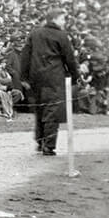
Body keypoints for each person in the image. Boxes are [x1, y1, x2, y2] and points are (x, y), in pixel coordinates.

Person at [19, 9, 81, 156]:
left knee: (40, 109)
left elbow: (25, 56)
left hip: (36, 78)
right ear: (55, 19)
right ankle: (49, 145)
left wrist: (24, 77)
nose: (64, 22)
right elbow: (69, 58)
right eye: (63, 19)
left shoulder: (34, 33)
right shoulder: (61, 35)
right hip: (54, 77)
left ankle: (40, 142)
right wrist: (75, 76)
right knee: (52, 110)